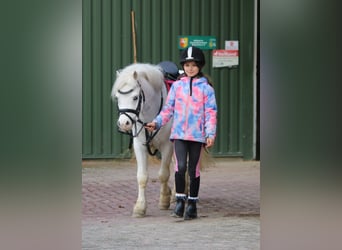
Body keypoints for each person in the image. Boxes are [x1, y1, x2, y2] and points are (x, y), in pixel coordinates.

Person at [145, 46, 217, 220]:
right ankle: (179, 201)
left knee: (193, 170)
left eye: (193, 65)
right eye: (187, 65)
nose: (190, 68)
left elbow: (211, 113)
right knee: (180, 168)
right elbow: (168, 109)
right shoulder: (177, 87)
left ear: (199, 66)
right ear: (183, 66)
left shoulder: (207, 89)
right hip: (179, 135)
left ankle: (192, 204)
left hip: (197, 136)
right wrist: (157, 122)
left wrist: (210, 134)